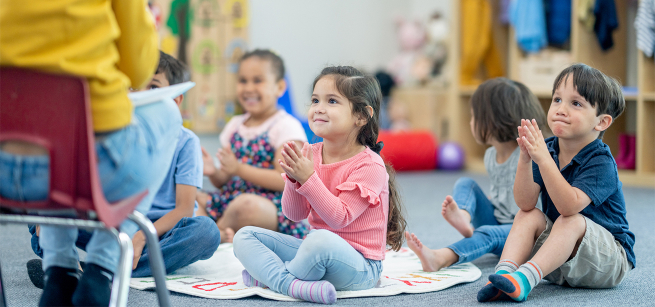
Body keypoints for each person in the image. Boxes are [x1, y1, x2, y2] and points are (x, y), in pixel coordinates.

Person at [0, 1, 180, 306]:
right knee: (166, 111)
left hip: (6, 175)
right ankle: (100, 269)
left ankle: (59, 271)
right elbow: (138, 71)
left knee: (57, 144)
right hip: (92, 172)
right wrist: (153, 20)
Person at [232, 66, 407, 305]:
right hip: (315, 253)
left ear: (362, 116)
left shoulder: (370, 165)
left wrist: (308, 178)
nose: (318, 108)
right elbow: (294, 214)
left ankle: (272, 278)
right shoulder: (309, 153)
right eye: (315, 100)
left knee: (318, 240)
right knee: (245, 236)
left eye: (332, 101)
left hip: (360, 267)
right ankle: (292, 284)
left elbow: (339, 218)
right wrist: (294, 180)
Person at [478, 63, 635, 302]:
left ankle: (525, 278)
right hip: (560, 260)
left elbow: (568, 207)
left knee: (570, 220)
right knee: (526, 215)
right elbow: (525, 201)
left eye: (576, 103)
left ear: (601, 122)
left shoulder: (601, 161)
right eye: (557, 99)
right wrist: (525, 158)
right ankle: (505, 276)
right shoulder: (548, 149)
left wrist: (543, 160)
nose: (561, 109)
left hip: (608, 262)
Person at [404, 78, 546, 277]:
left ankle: (441, 257)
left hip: (523, 234)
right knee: (466, 182)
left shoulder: (527, 155)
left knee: (486, 234)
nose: (470, 122)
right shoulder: (490, 155)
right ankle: (463, 216)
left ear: (491, 120)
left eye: (473, 116)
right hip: (497, 220)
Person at [196, 49, 309, 242]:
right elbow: (224, 180)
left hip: (268, 206)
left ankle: (213, 234)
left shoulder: (285, 126)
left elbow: (284, 181)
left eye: (257, 81)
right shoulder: (234, 126)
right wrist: (214, 172)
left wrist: (239, 168)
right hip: (228, 200)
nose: (248, 88)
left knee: (246, 206)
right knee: (189, 195)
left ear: (280, 87)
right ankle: (217, 232)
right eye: (243, 81)